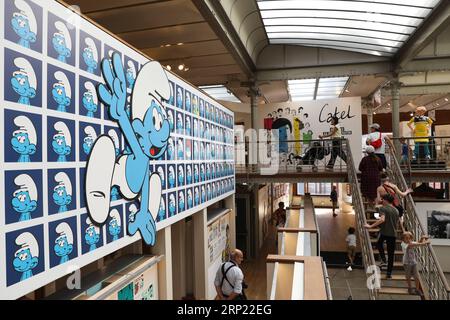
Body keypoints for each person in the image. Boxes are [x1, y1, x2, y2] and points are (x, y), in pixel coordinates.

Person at [364, 193, 400, 279]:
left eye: (383, 199)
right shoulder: (396, 210)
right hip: (393, 234)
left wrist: (370, 226)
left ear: (386, 200)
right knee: (391, 254)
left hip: (384, 232)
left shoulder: (383, 208)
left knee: (378, 243)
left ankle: (384, 259)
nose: (382, 200)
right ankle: (389, 273)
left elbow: (382, 219)